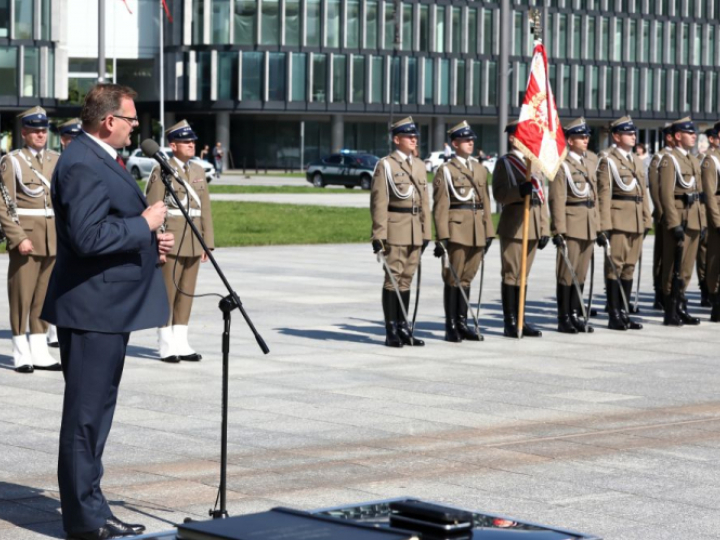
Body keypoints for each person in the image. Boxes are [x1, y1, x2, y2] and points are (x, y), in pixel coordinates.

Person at [41, 84, 173, 540]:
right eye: (132, 119)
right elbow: (87, 237)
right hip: (91, 309)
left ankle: (95, 508)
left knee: (97, 415)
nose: (137, 127)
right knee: (84, 417)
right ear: (108, 121)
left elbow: (104, 228)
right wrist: (144, 224)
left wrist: (147, 240)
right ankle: (83, 520)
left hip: (107, 307)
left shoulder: (99, 158)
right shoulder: (80, 162)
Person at [146, 120, 215, 363]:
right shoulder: (161, 170)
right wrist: (157, 243)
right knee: (168, 292)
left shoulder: (197, 171)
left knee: (187, 292)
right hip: (171, 239)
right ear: (173, 145)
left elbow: (204, 208)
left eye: (193, 141)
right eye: (186, 142)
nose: (191, 145)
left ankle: (181, 340)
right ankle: (166, 343)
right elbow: (154, 208)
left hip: (194, 240)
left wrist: (208, 242)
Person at [0, 106, 61, 372]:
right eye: (34, 131)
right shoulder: (12, 161)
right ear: (24, 133)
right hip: (26, 237)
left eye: (43, 130)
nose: (40, 135)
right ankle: (20, 350)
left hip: (52, 237)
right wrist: (17, 237)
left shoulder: (56, 159)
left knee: (44, 296)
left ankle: (39, 348)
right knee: (21, 295)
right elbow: (4, 204)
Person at [370, 117, 431, 347]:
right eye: (409, 136)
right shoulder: (386, 165)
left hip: (415, 229)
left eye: (415, 136)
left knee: (406, 280)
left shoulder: (420, 165)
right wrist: (379, 235)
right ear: (397, 139)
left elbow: (424, 201)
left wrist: (427, 233)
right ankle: (391, 330)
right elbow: (379, 203)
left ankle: (405, 327)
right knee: (393, 280)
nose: (414, 139)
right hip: (396, 229)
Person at [432, 121, 494, 342]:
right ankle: (451, 327)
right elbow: (440, 206)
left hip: (478, 229)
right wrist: (442, 237)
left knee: (467, 278)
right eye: (465, 140)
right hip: (457, 230)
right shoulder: (446, 170)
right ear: (454, 143)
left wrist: (489, 231)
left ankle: (462, 323)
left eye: (471, 140)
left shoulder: (479, 168)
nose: (470, 143)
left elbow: (485, 201)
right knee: (454, 278)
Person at [492, 120, 549, 338]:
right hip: (514, 223)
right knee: (512, 274)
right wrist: (518, 191)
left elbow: (541, 197)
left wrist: (544, 228)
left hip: (533, 223)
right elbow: (499, 194)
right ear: (512, 138)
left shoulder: (535, 163)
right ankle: (510, 321)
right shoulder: (505, 163)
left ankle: (521, 319)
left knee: (523, 276)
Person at [597, 116, 652, 331]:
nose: (633, 136)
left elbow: (642, 193)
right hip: (618, 220)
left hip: (636, 219)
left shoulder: (636, 161)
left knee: (629, 268)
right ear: (616, 136)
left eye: (634, 133)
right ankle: (614, 314)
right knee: (615, 267)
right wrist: (604, 226)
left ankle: (624, 312)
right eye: (628, 133)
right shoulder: (607, 160)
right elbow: (604, 195)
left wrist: (646, 219)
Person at [549, 118, 599, 334]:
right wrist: (558, 230)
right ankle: (564, 318)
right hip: (571, 223)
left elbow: (596, 196)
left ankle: (576, 314)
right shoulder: (562, 165)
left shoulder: (591, 161)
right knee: (566, 273)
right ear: (570, 140)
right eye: (580, 136)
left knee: (580, 273)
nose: (585, 139)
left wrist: (598, 225)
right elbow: (557, 199)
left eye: (587, 136)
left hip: (588, 222)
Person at [658, 117, 706, 326]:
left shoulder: (694, 160)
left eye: (694, 132)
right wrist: (673, 222)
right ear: (678, 136)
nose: (694, 135)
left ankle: (681, 305)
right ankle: (670, 310)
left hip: (694, 218)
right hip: (680, 219)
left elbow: (700, 194)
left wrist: (702, 222)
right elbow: (666, 194)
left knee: (686, 268)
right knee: (672, 266)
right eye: (689, 132)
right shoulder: (670, 160)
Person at [647, 124, 675, 310]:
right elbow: (656, 189)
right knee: (662, 255)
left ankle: (672, 292)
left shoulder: (682, 158)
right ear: (668, 137)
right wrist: (661, 211)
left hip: (679, 213)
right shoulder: (659, 158)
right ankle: (660, 292)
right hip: (665, 214)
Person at [701, 122, 720, 321]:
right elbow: (710, 194)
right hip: (718, 218)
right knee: (715, 261)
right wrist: (717, 222)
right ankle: (715, 302)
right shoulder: (711, 161)